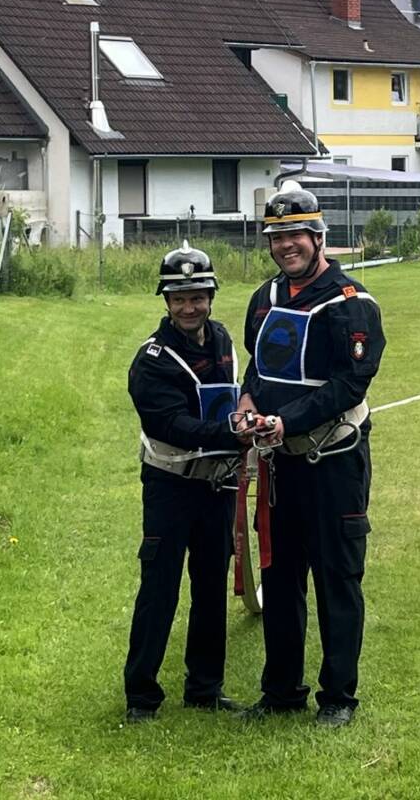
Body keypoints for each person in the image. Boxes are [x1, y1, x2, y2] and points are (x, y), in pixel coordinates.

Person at [238, 181, 386, 728]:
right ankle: (281, 692)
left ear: (318, 236)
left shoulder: (352, 305)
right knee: (280, 578)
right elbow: (257, 367)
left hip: (333, 463)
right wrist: (247, 402)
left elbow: (349, 384)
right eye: (276, 237)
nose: (286, 246)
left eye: (296, 234)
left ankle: (338, 698)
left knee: (336, 578)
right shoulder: (264, 298)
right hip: (280, 466)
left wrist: (288, 421)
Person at [124, 242, 242, 723]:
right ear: (166, 301)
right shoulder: (151, 360)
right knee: (160, 587)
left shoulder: (222, 339)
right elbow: (171, 425)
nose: (189, 307)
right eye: (179, 299)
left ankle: (205, 688)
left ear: (210, 297)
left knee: (212, 585)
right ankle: (141, 697)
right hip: (171, 485)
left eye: (197, 297)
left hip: (218, 485)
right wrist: (233, 434)